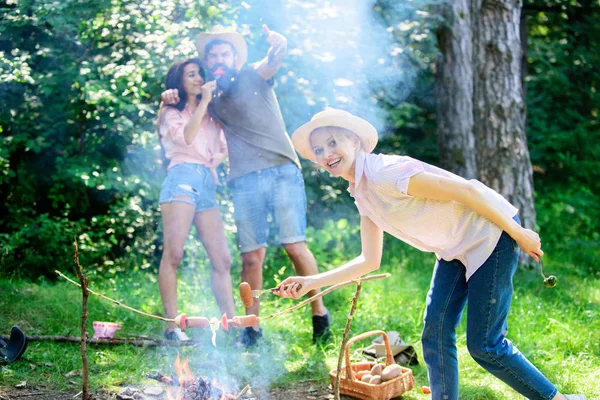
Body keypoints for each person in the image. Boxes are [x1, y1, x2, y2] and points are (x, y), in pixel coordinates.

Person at [274, 108, 586, 400]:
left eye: (333, 142)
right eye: (318, 150)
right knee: (435, 334)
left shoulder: (386, 174)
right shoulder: (363, 193)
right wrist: (311, 281)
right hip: (453, 249)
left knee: (486, 346)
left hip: (489, 235)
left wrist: (519, 233)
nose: (327, 153)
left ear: (354, 141)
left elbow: (467, 190)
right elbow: (369, 260)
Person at [161, 25, 330, 347]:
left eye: (225, 53)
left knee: (294, 246)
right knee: (251, 259)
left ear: (236, 57)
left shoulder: (254, 74)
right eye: (213, 56)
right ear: (208, 63)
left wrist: (279, 44)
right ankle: (251, 329)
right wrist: (168, 95)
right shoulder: (211, 98)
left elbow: (273, 60)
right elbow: (181, 104)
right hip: (243, 180)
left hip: (282, 170)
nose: (219, 59)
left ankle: (320, 316)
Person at [157, 58, 235, 341]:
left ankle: (232, 325)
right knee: (174, 254)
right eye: (191, 74)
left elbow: (223, 147)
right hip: (182, 177)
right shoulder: (171, 110)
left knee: (222, 259)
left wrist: (214, 158)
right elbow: (188, 138)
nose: (198, 78)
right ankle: (172, 326)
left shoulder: (213, 113)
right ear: (180, 80)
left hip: (206, 181)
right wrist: (203, 103)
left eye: (200, 73)